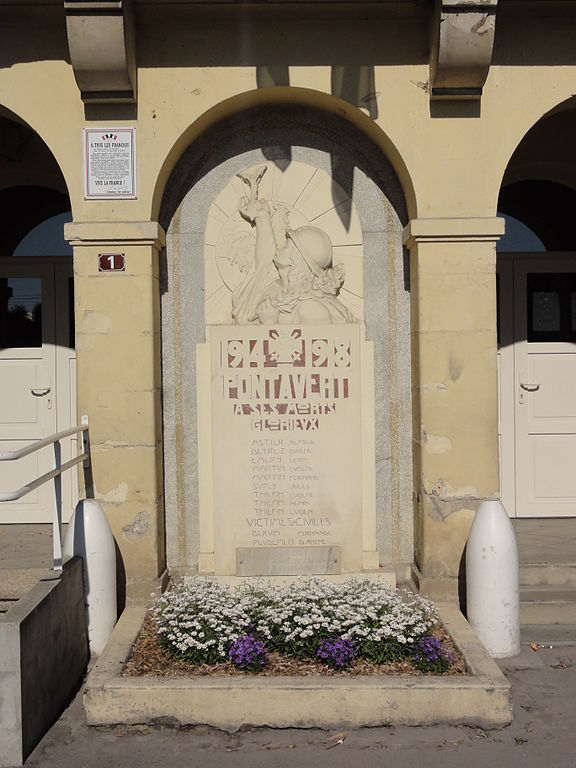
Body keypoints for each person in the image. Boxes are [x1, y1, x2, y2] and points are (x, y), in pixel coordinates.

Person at [231, 194, 354, 325]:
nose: (282, 244)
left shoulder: (312, 308)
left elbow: (308, 344)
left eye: (288, 245)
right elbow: (265, 261)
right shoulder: (279, 287)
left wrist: (269, 324)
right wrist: (261, 216)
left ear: (296, 260)